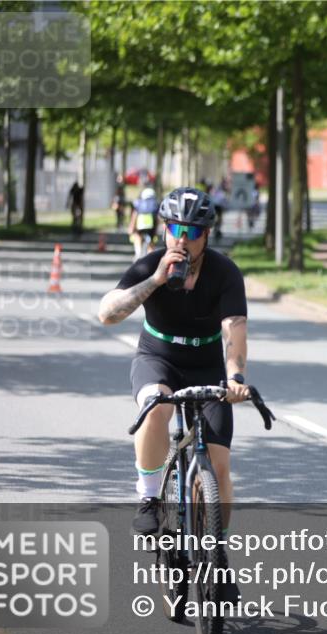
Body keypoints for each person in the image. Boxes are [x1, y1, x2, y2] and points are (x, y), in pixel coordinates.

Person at [97, 186, 250, 598]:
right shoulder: (151, 264)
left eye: (192, 231)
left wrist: (235, 377)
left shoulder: (224, 272)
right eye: (175, 229)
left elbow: (234, 329)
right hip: (158, 357)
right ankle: (149, 498)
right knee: (154, 407)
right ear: (164, 229)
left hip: (206, 363)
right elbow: (107, 313)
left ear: (207, 235)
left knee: (219, 467)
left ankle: (216, 553)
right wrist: (155, 280)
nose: (182, 239)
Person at [128, 187, 158, 260]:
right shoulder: (155, 204)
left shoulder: (138, 203)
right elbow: (157, 218)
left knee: (137, 236)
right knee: (151, 241)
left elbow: (134, 215)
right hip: (151, 225)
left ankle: (138, 253)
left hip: (141, 224)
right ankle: (151, 256)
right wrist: (156, 230)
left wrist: (131, 226)